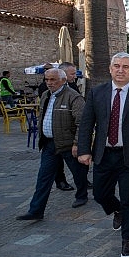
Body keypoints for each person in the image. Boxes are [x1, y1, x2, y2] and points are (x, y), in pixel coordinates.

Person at [78, 52, 129, 257]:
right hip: (103, 154)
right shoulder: (97, 93)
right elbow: (86, 123)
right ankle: (116, 210)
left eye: (125, 67)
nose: (121, 70)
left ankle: (128, 239)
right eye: (117, 66)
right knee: (100, 195)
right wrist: (84, 149)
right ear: (110, 69)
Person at [16, 68, 89, 220]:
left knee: (78, 172)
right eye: (47, 80)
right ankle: (36, 210)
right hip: (49, 144)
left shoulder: (73, 97)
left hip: (68, 144)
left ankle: (82, 195)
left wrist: (77, 143)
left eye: (53, 80)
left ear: (63, 81)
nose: (49, 83)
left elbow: (82, 122)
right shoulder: (45, 95)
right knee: (43, 177)